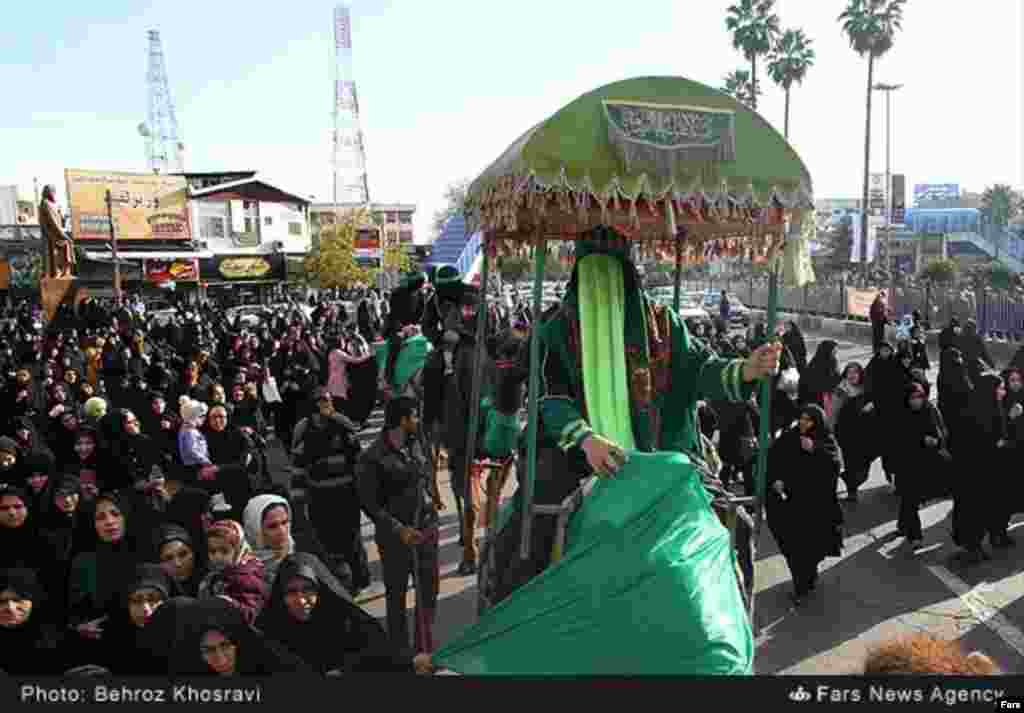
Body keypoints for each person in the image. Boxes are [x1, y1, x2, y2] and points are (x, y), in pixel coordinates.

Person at [486, 227, 781, 604]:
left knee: (734, 526)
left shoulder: (663, 324)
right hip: (578, 456)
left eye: (610, 271)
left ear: (628, 274)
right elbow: (550, 396)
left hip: (660, 455)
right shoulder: (556, 330)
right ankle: (513, 626)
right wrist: (585, 439)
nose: (601, 283)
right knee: (531, 539)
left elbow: (700, 369)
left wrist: (746, 370)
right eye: (591, 272)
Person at [356, 396, 440, 653]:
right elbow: (369, 504)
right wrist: (398, 529)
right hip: (396, 540)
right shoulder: (372, 457)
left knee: (429, 593)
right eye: (414, 416)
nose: (418, 420)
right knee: (397, 597)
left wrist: (432, 496)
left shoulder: (418, 442)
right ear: (402, 420)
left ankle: (424, 648)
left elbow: (427, 471)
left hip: (426, 531)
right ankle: (401, 655)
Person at [257, 553, 433, 675]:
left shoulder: (345, 620)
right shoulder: (268, 632)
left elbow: (380, 656)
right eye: (291, 592)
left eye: (308, 590)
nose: (302, 600)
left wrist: (412, 661)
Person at [766, 405, 843, 607]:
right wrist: (776, 479)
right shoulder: (789, 438)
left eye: (808, 420)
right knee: (794, 548)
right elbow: (773, 460)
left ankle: (807, 576)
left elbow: (834, 466)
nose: (803, 423)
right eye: (801, 418)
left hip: (817, 507)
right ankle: (801, 586)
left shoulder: (825, 441)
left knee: (812, 549)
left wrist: (814, 450)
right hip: (791, 505)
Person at [39, 185, 75, 279]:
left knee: (67, 243)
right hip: (51, 235)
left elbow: (60, 221)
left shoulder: (53, 204)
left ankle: (65, 270)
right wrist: (63, 235)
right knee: (67, 242)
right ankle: (61, 270)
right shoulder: (46, 203)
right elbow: (53, 223)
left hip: (56, 234)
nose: (54, 194)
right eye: (52, 191)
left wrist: (61, 213)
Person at [869, 290, 890, 354]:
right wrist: (885, 310)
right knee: (877, 337)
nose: (882, 298)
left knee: (879, 337)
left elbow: (883, 314)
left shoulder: (881, 303)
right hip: (877, 322)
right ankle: (876, 349)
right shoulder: (876, 303)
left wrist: (886, 320)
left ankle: (877, 349)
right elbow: (877, 313)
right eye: (881, 297)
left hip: (879, 322)